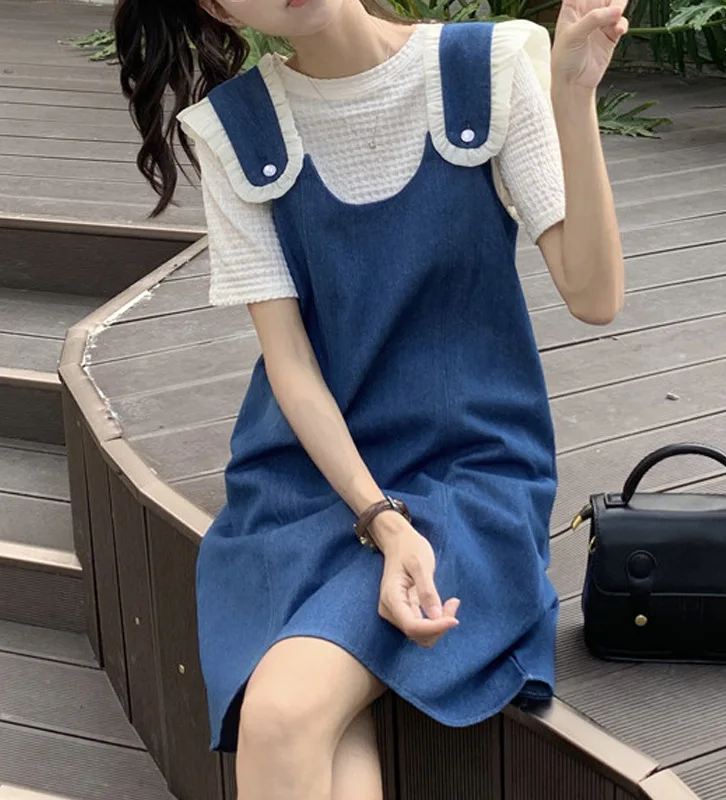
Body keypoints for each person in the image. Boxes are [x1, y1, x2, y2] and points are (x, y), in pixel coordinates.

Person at [115, 0, 626, 795]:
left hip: (471, 477)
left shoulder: (486, 71)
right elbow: (290, 364)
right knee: (305, 721)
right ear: (218, 8)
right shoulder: (234, 131)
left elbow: (594, 295)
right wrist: (381, 519)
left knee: (284, 712)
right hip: (305, 483)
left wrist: (574, 96)